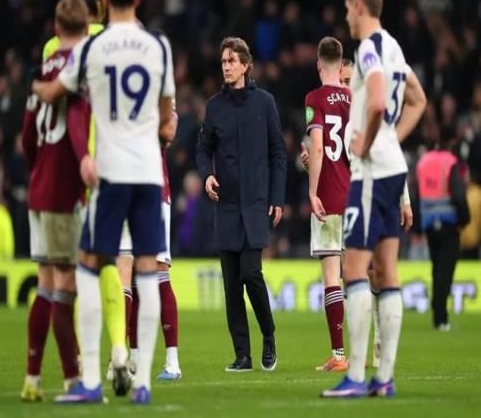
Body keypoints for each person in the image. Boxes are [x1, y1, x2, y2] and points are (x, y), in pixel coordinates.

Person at [32, 0, 176, 405]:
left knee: (89, 267)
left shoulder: (91, 48)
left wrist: (35, 87)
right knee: (147, 271)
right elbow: (166, 119)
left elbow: (55, 92)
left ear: (103, 0)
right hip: (148, 173)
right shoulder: (158, 47)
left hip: (109, 174)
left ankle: (92, 379)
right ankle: (143, 381)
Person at [322, 0, 426, 398]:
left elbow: (379, 100)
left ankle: (356, 376)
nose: (346, 16)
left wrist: (368, 142)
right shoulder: (395, 48)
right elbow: (418, 99)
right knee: (387, 271)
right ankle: (384, 378)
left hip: (370, 173)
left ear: (359, 7)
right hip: (393, 168)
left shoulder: (368, 48)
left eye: (348, 9)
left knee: (353, 270)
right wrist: (392, 140)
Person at [39, 0, 129, 397]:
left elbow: (50, 108)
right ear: (102, 1)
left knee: (78, 271)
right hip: (115, 162)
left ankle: (81, 364)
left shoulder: (54, 48)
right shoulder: (115, 42)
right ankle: (119, 349)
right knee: (108, 261)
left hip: (71, 169)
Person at [196, 37, 286, 372]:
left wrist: (277, 198)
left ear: (246, 65)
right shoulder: (214, 106)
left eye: (232, 61)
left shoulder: (265, 103)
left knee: (251, 274)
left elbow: (278, 153)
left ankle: (268, 334)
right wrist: (207, 175)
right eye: (223, 62)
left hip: (256, 205)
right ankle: (243, 355)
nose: (227, 67)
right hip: (226, 206)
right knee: (231, 286)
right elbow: (202, 149)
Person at [20, 0, 89, 402]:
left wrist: (37, 170)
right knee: (65, 287)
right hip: (63, 192)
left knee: (45, 285)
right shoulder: (78, 72)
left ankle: (32, 379)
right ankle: (71, 378)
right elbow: (79, 127)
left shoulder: (41, 72)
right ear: (86, 29)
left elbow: (26, 137)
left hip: (38, 189)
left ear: (57, 28)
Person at [112, 104, 181, 382]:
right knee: (128, 274)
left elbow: (170, 129)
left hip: (154, 190)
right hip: (122, 187)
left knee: (158, 270)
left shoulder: (157, 83)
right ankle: (131, 358)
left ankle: (172, 362)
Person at [305, 36, 351, 372]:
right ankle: (363, 352)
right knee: (358, 278)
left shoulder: (315, 98)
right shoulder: (355, 97)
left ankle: (338, 355)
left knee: (332, 278)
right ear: (341, 63)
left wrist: (312, 191)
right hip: (357, 197)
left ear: (319, 64)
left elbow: (319, 148)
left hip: (329, 197)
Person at [416, 126, 470, 330]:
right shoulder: (450, 162)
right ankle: (441, 319)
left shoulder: (424, 161)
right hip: (448, 223)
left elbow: (417, 192)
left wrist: (418, 225)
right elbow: (458, 194)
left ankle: (437, 314)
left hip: (429, 223)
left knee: (437, 268)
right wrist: (464, 220)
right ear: (453, 142)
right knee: (445, 271)